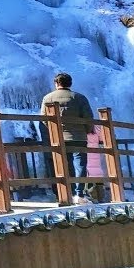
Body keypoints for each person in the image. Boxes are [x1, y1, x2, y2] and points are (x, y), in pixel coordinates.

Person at [41, 72, 95, 204]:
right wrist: (87, 130)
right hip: (78, 137)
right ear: (70, 83)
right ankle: (79, 194)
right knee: (80, 165)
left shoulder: (48, 98)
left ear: (56, 83)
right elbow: (88, 117)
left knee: (64, 165)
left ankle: (67, 193)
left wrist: (52, 133)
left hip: (58, 139)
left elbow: (44, 119)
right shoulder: (79, 98)